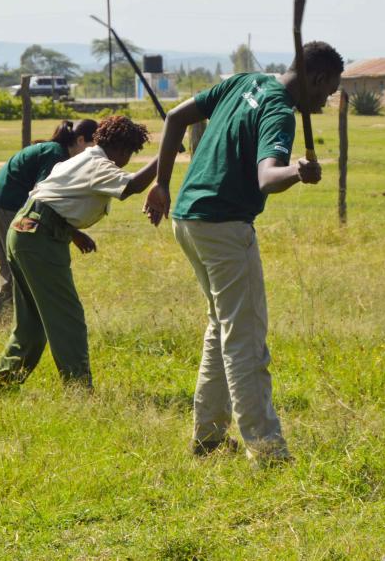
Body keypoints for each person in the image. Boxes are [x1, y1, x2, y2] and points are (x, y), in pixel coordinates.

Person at [143, 41, 344, 463]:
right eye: (328, 92)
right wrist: (299, 171)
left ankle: (209, 438)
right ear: (318, 79)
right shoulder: (278, 111)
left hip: (187, 218)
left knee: (222, 327)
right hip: (223, 227)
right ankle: (266, 449)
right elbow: (267, 177)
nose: (325, 102)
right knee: (246, 338)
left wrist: (161, 181)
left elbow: (177, 117)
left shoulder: (244, 81)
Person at [0, 115, 156, 394]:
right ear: (123, 150)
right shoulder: (98, 164)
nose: (128, 159)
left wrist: (73, 232)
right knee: (67, 318)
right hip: (40, 238)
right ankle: (78, 391)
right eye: (130, 153)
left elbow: (51, 196)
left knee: (32, 325)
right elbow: (132, 186)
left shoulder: (83, 159)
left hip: (26, 229)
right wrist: (165, 156)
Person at [0, 119, 98, 327]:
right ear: (81, 140)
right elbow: (44, 199)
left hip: (2, 203)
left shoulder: (57, 152)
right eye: (93, 147)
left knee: (17, 268)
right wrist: (75, 234)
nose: (94, 155)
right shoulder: (57, 156)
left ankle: (17, 323)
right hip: (7, 206)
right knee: (14, 268)